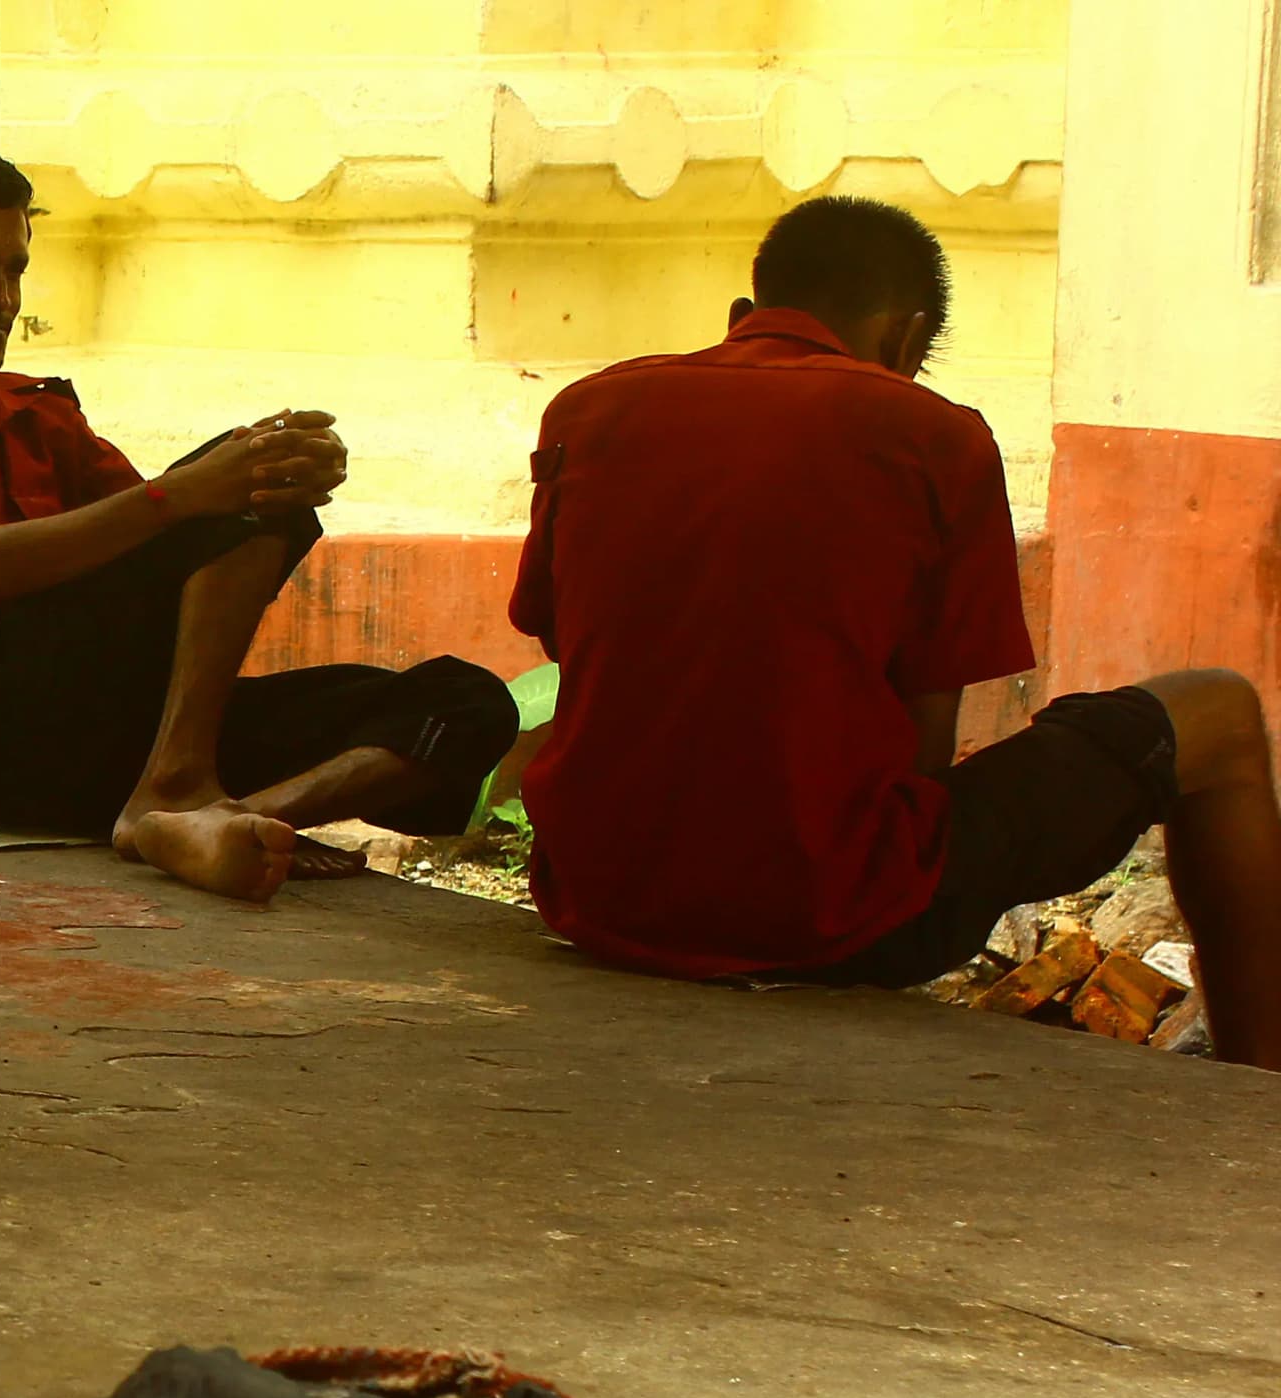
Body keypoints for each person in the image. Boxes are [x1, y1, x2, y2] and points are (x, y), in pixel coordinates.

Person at [511, 197, 1276, 1066]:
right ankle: (1259, 1084)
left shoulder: (586, 408)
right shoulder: (933, 435)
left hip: (597, 898)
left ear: (743, 317)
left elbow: (564, 643)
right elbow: (925, 743)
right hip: (827, 916)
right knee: (1217, 710)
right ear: (908, 339)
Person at [0, 138, 517, 903]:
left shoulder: (40, 416)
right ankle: (179, 782)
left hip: (109, 741)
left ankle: (222, 820)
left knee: (470, 702)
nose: (2, 297)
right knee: (231, 481)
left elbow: (172, 548)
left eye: (14, 269)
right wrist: (205, 485)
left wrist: (277, 470)